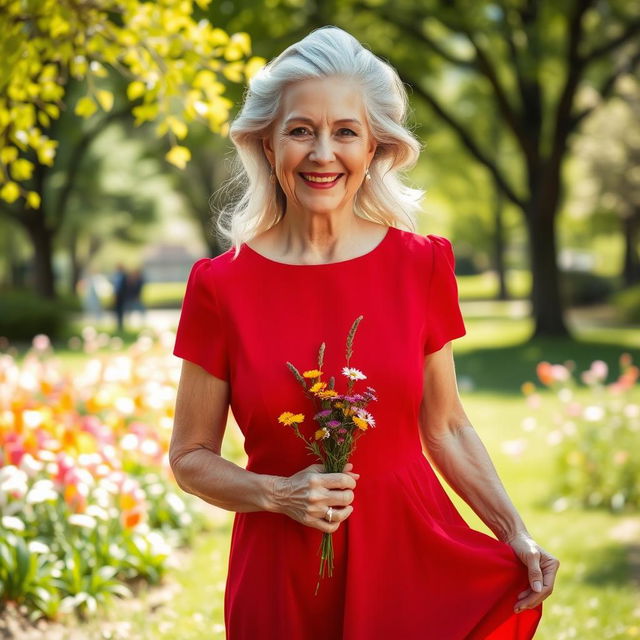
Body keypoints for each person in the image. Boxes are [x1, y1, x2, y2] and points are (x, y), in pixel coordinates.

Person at [169, 26, 559, 639]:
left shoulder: (422, 265)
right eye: (301, 130)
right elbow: (190, 457)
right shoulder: (221, 286)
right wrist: (276, 493)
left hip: (411, 567)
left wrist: (515, 531)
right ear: (269, 146)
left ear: (376, 147)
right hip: (280, 579)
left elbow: (446, 425)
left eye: (345, 132)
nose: (323, 153)